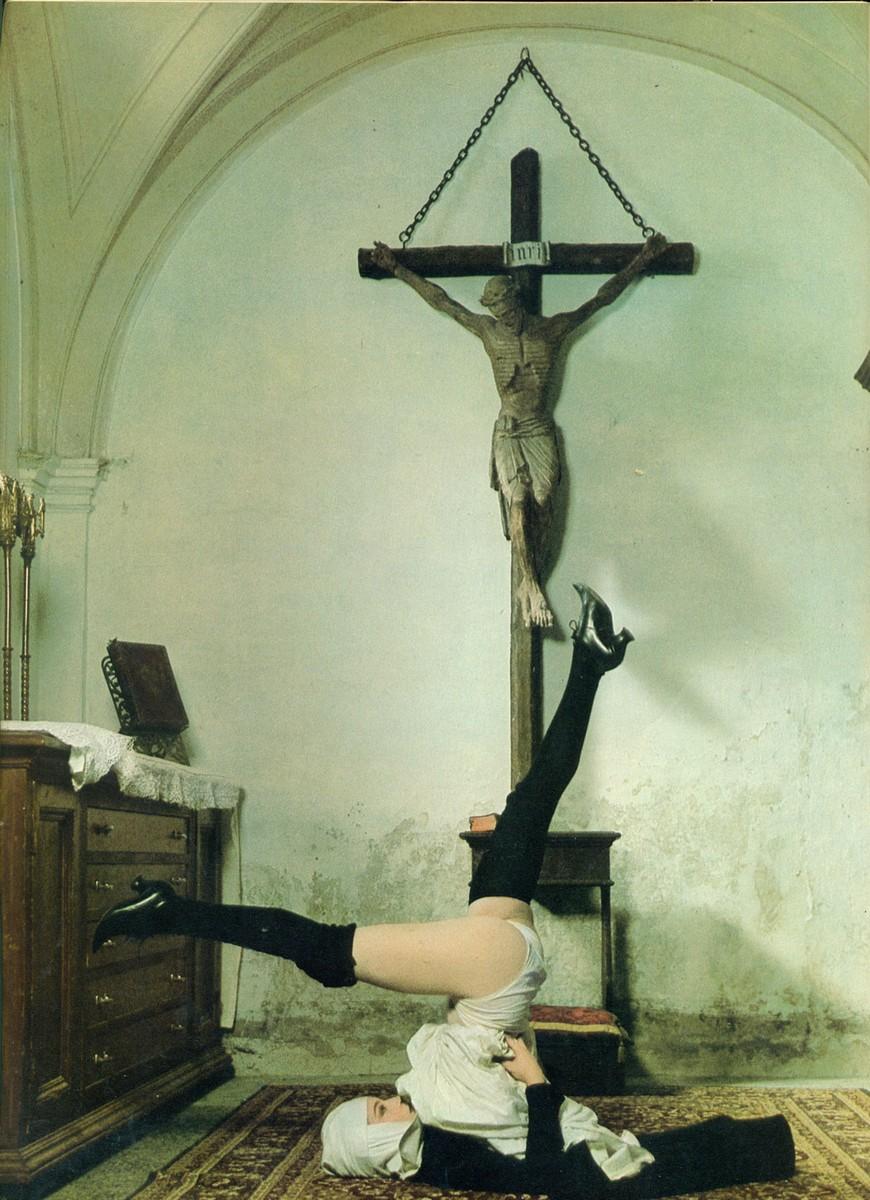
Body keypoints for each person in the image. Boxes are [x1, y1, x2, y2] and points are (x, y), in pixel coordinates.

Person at [92, 586, 795, 1198]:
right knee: (326, 949)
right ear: (382, 1147)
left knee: (529, 805)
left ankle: (590, 662)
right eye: (377, 1114)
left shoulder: (440, 1119)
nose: (383, 1099)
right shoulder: (450, 1143)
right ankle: (170, 911)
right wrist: (535, 1081)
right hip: (492, 974)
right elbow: (541, 1167)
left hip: (499, 966)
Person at [370, 238, 669, 629]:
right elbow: (443, 302)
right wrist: (397, 268)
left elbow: (599, 300)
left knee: (543, 500)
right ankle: (529, 585)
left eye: (508, 309)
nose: (505, 317)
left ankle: (532, 578)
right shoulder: (489, 332)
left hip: (538, 427)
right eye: (497, 311)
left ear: (517, 301)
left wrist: (641, 260)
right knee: (518, 498)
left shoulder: (550, 330)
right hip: (509, 430)